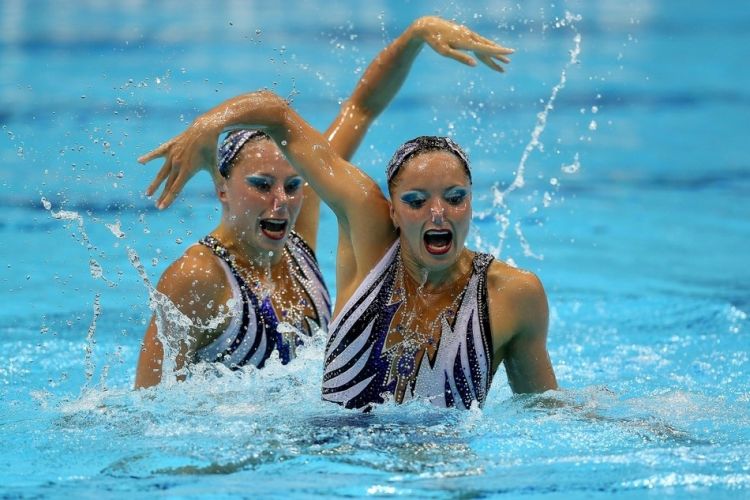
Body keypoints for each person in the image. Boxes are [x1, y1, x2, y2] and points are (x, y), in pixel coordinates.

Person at [135, 16, 512, 389]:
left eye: (294, 184)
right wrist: (207, 126)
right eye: (261, 185)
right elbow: (148, 404)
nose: (281, 201)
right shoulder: (197, 276)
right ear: (222, 189)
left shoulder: (298, 233)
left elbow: (361, 108)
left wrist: (415, 36)